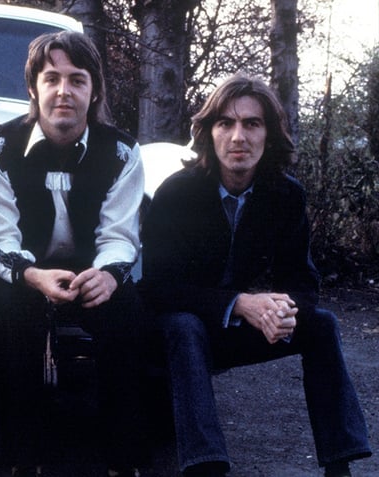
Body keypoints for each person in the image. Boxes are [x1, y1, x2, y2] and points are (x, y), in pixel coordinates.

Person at [140, 74, 372, 477]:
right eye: (225, 123)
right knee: (184, 325)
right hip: (171, 335)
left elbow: (303, 279)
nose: (238, 136)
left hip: (231, 331)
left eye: (252, 123)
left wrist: (283, 309)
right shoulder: (177, 192)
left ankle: (340, 464)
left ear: (270, 135)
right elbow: (157, 288)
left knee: (321, 324)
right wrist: (241, 304)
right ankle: (205, 466)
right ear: (208, 133)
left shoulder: (285, 195)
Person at [0, 31, 149, 476]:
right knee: (9, 314)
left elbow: (120, 235)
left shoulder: (123, 152)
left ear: (94, 91)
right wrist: (32, 276)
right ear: (34, 88)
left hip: (93, 269)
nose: (64, 91)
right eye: (52, 79)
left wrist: (107, 274)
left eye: (77, 79)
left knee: (128, 312)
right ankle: (22, 457)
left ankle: (121, 459)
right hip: (24, 271)